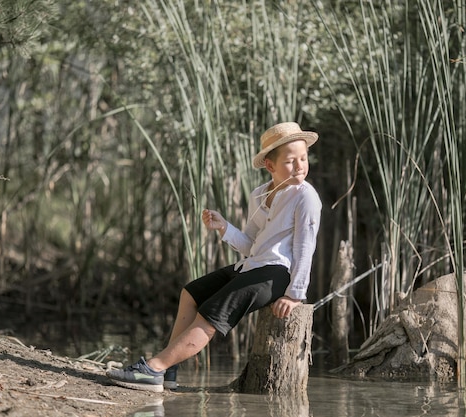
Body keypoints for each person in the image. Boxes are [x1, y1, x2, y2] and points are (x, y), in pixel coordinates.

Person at [106, 122, 322, 392]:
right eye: (291, 161)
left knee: (211, 315)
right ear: (270, 165)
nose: (300, 166)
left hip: (277, 273)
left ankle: (153, 369)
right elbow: (251, 244)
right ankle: (169, 371)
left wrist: (295, 294)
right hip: (252, 265)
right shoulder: (259, 194)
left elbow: (305, 246)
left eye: (303, 158)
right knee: (191, 293)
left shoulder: (306, 198)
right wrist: (224, 227)